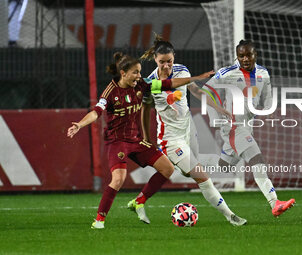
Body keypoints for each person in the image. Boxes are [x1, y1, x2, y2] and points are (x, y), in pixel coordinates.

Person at [67, 52, 214, 229]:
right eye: (135, 72)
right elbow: (96, 112)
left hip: (135, 140)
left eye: (139, 72)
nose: (139, 76)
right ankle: (99, 220)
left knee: (167, 168)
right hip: (117, 141)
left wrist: (195, 78)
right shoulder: (110, 92)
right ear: (123, 73)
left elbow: (169, 83)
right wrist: (80, 125)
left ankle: (139, 201)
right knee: (118, 179)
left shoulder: (142, 85)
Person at [132, 35, 247, 226]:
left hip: (188, 130)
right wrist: (146, 137)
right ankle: (231, 216)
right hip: (170, 138)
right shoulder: (150, 83)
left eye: (169, 61)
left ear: (174, 57)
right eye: (162, 62)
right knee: (202, 176)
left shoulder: (181, 71)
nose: (167, 66)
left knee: (190, 173)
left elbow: (196, 91)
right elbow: (145, 110)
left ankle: (141, 198)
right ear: (155, 60)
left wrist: (219, 108)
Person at [204, 40, 295, 217]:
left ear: (255, 55)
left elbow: (267, 99)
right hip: (233, 127)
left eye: (248, 55)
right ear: (237, 56)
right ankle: (274, 202)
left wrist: (268, 112)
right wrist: (216, 117)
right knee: (257, 159)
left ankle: (191, 165)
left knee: (223, 167)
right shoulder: (227, 73)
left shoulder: (263, 73)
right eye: (241, 55)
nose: (245, 59)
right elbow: (207, 90)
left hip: (247, 126)